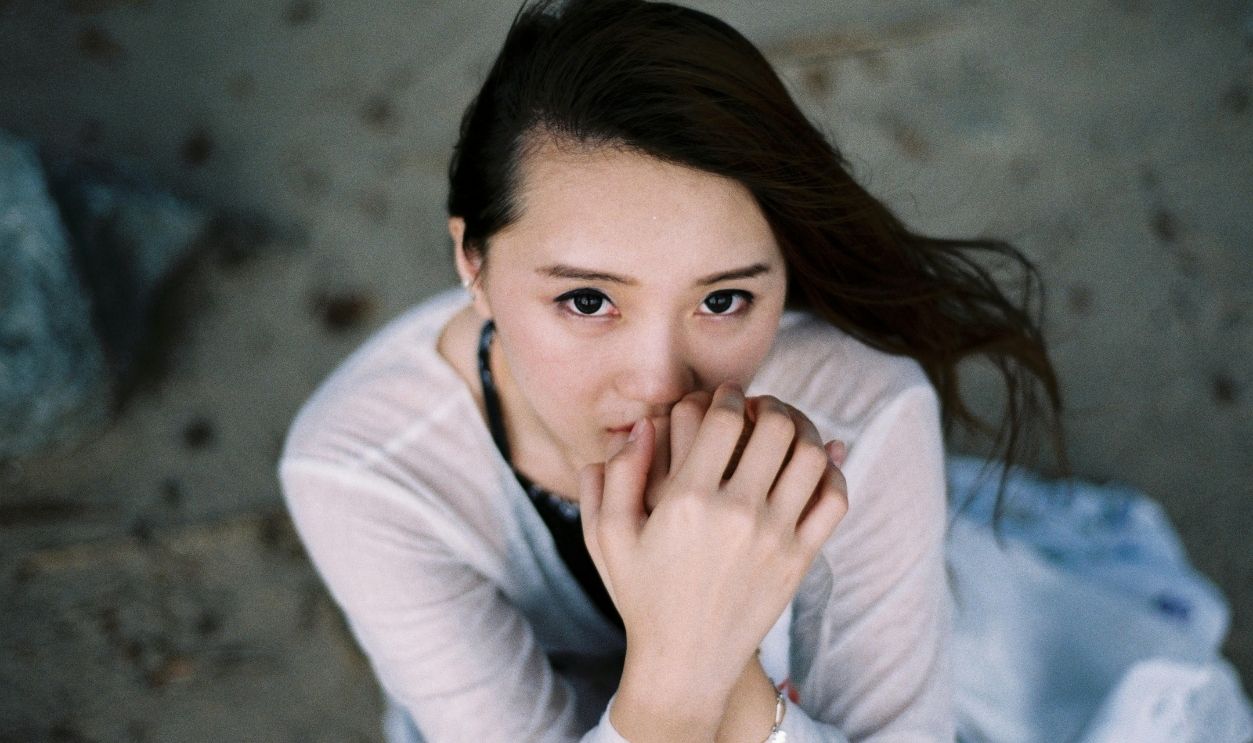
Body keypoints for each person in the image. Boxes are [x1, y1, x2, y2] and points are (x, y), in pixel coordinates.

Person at [277, 1, 1064, 741]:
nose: (658, 382)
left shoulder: (860, 412)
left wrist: (725, 664)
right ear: (471, 263)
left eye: (723, 298)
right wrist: (683, 667)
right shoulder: (361, 471)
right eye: (587, 300)